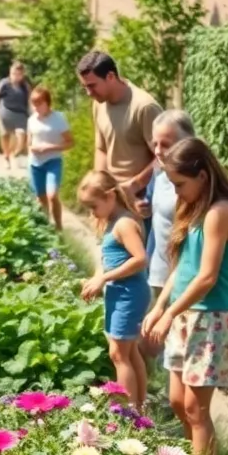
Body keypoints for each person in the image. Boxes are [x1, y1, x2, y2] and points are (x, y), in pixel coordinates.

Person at [142, 137, 228, 455]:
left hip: (213, 318)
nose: (176, 192)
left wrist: (170, 313)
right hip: (186, 313)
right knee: (177, 401)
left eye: (180, 184)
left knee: (196, 409)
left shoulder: (221, 211)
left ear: (203, 175)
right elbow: (184, 266)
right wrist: (159, 305)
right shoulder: (192, 207)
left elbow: (206, 277)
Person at [78, 170, 150, 409]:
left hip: (129, 293)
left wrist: (105, 278)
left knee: (118, 354)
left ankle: (128, 411)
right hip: (120, 292)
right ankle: (139, 406)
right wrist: (96, 278)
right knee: (129, 352)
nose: (91, 212)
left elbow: (140, 259)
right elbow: (108, 258)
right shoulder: (112, 221)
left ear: (110, 197)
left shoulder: (124, 223)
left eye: (93, 206)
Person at [77, 51, 163, 200]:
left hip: (143, 195)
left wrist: (135, 185)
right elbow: (101, 149)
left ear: (110, 76)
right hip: (114, 196)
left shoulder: (144, 106)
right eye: (85, 87)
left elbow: (164, 156)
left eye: (92, 86)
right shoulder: (99, 103)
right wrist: (99, 188)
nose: (89, 93)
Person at [144, 110, 196, 311]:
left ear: (187, 143)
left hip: (183, 280)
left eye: (165, 144)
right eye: (154, 143)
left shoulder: (191, 185)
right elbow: (157, 225)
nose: (157, 151)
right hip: (159, 274)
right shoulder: (159, 176)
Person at [26, 86, 73, 230]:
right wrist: (32, 148)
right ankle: (45, 227)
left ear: (47, 103)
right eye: (34, 104)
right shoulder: (31, 120)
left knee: (52, 195)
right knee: (41, 199)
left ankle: (59, 227)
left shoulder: (58, 118)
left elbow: (70, 142)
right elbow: (29, 142)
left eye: (39, 104)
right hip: (35, 163)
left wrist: (50, 147)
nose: (36, 107)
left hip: (53, 161)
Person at [0, 61, 33, 170]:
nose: (15, 77)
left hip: (21, 114)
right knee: (5, 135)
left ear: (22, 74)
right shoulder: (4, 83)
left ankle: (16, 153)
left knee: (22, 135)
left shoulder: (25, 86)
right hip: (5, 112)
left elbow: (30, 100)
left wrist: (32, 113)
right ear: (10, 73)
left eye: (18, 74)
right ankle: (6, 157)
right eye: (13, 74)